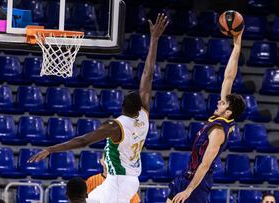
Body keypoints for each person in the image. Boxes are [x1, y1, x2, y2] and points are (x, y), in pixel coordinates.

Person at [28, 13, 168, 203]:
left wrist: (51, 149)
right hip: (123, 180)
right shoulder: (144, 114)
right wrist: (154, 39)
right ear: (139, 107)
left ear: (122, 106)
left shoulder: (114, 126)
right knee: (85, 199)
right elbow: (148, 74)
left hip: (118, 182)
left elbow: (83, 141)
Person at [168, 30, 246, 203]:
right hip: (187, 174)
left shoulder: (218, 131)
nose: (219, 102)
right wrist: (237, 45)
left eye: (223, 104)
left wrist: (189, 191)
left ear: (228, 112)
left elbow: (205, 164)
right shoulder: (223, 117)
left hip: (198, 182)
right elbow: (228, 77)